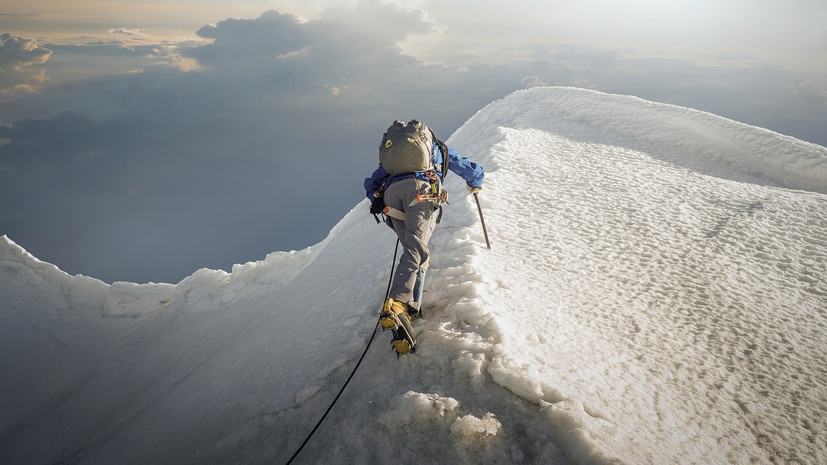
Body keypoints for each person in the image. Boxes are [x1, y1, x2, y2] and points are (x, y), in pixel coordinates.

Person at [364, 120, 484, 337]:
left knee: (416, 252)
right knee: (415, 250)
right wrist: (476, 182)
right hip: (421, 193)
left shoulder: (393, 159)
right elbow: (465, 166)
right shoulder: (436, 149)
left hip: (392, 201)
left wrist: (376, 197)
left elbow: (371, 183)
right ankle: (398, 303)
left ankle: (410, 308)